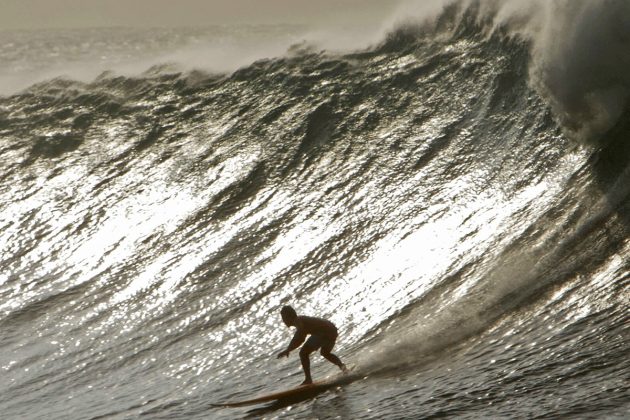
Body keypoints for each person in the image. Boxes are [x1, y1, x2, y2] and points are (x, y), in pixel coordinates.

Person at [277, 305, 348, 385]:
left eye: (283, 318)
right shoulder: (300, 320)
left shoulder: (298, 321)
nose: (283, 320)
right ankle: (343, 368)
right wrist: (288, 349)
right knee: (325, 353)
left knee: (303, 353)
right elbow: (298, 337)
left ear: (289, 317)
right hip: (332, 330)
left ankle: (308, 379)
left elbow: (300, 338)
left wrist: (288, 350)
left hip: (325, 331)